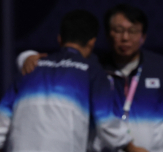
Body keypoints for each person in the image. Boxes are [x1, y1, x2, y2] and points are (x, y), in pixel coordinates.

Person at [19, 4, 163, 152]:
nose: (125, 38)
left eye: (133, 31)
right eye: (118, 30)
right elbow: (54, 65)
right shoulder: (91, 68)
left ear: (143, 36)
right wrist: (26, 57)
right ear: (106, 35)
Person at [0, 10, 148, 152]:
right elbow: (106, 123)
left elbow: (3, 117)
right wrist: (131, 148)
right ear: (92, 42)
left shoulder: (30, 67)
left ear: (59, 39)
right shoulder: (93, 71)